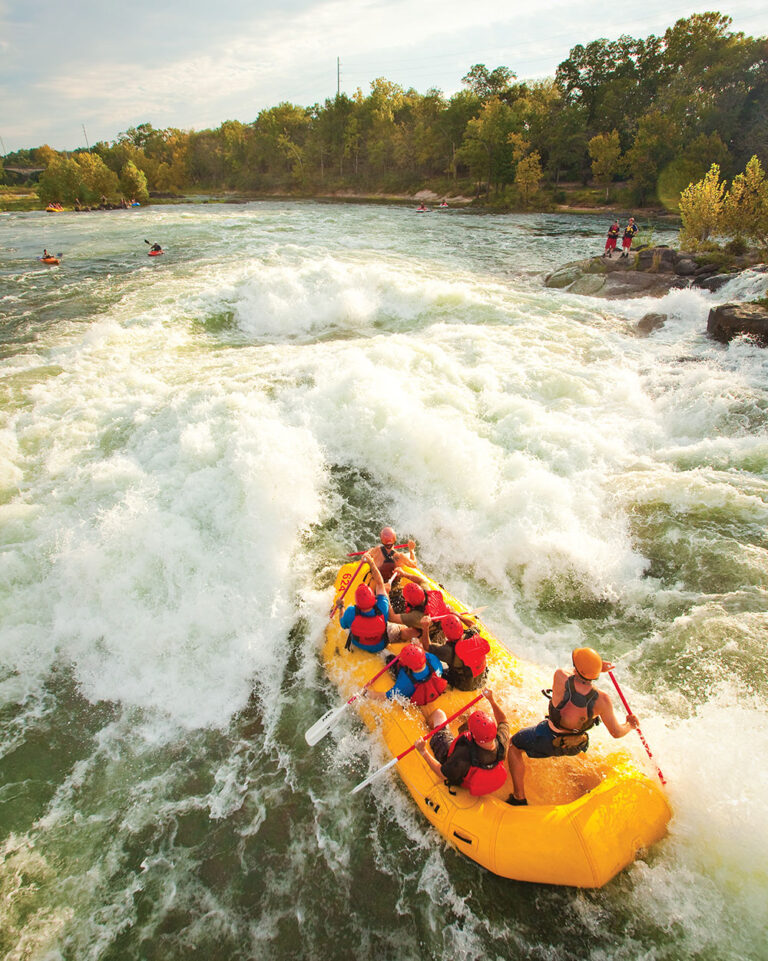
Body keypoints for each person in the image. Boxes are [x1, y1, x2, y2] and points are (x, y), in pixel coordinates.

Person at [506, 647, 638, 806]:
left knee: (514, 745)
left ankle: (519, 797)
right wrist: (630, 725)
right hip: (576, 745)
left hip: (548, 738)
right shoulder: (603, 700)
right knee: (569, 744)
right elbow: (616, 732)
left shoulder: (560, 676)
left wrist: (594, 668)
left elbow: (573, 672)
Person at [416, 688, 509, 796]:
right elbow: (503, 721)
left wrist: (423, 751)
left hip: (452, 761)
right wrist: (491, 700)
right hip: (477, 767)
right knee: (469, 716)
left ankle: (426, 719)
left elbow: (443, 773)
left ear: (472, 734)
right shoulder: (501, 742)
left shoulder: (463, 754)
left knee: (438, 714)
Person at [339, 552, 405, 653]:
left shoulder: (351, 612)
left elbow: (343, 624)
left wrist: (341, 607)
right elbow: (379, 583)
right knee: (403, 628)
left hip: (359, 644)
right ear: (373, 598)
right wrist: (371, 562)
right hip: (380, 645)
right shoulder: (382, 606)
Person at [366, 641, 447, 708]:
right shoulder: (432, 659)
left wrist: (365, 693)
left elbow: (386, 696)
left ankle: (384, 654)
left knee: (389, 658)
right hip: (433, 687)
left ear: (408, 665)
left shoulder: (404, 683)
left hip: (414, 692)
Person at [428, 613, 490, 691]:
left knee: (435, 667)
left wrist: (425, 627)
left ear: (446, 634)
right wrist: (459, 617)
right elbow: (472, 624)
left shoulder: (448, 651)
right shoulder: (472, 633)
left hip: (465, 685)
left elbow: (427, 646)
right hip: (482, 678)